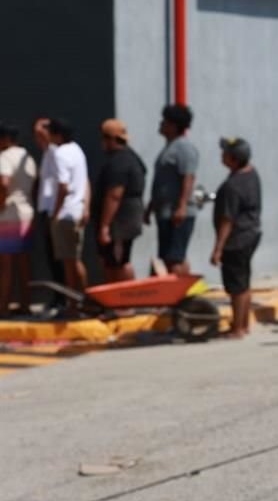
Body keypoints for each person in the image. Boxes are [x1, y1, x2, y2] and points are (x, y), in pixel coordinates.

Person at [211, 138, 261, 339]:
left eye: (225, 154)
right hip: (250, 234)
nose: (222, 156)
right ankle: (243, 324)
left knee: (236, 286)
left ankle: (238, 328)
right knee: (244, 283)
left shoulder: (233, 185)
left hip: (237, 239)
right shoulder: (251, 174)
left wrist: (218, 248)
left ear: (233, 159)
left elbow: (227, 220)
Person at [146, 104, 199, 276]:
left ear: (174, 126)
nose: (161, 125)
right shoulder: (169, 148)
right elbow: (162, 182)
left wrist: (182, 206)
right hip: (164, 212)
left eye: (165, 122)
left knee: (175, 259)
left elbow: (188, 177)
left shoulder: (184, 148)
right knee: (170, 258)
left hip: (176, 213)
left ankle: (182, 298)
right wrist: (150, 207)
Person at [95, 118, 147, 283]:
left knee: (119, 262)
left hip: (120, 222)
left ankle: (125, 302)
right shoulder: (131, 158)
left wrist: (104, 226)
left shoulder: (119, 162)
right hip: (126, 218)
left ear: (110, 139)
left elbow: (114, 195)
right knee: (112, 262)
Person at [48, 118, 90, 316]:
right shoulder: (78, 150)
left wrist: (55, 214)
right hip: (78, 210)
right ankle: (84, 300)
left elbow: (63, 187)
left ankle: (74, 305)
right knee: (76, 260)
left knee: (68, 262)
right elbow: (85, 181)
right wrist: (86, 207)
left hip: (66, 213)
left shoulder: (61, 153)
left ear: (57, 135)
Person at [0, 122, 37, 317]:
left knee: (6, 264)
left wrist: (1, 203)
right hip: (26, 213)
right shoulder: (28, 158)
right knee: (24, 264)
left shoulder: (4, 157)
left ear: (5, 139)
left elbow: (3, 182)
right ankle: (26, 303)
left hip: (9, 216)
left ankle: (3, 307)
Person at [33, 117, 66, 312]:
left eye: (40, 133)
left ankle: (63, 298)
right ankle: (58, 297)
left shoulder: (56, 153)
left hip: (55, 211)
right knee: (52, 256)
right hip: (47, 210)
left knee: (59, 257)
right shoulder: (47, 154)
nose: (37, 138)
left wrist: (55, 212)